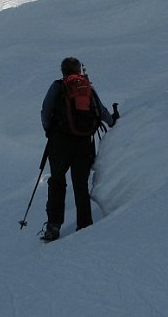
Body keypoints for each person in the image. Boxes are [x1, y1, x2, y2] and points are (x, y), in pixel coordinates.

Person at [39, 57, 119, 242]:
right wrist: (113, 121)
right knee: (80, 185)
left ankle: (53, 227)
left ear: (62, 71)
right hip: (84, 143)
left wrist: (50, 131)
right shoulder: (86, 87)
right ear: (79, 71)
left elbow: (45, 112)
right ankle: (85, 225)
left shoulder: (58, 86)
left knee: (57, 182)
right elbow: (102, 111)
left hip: (59, 143)